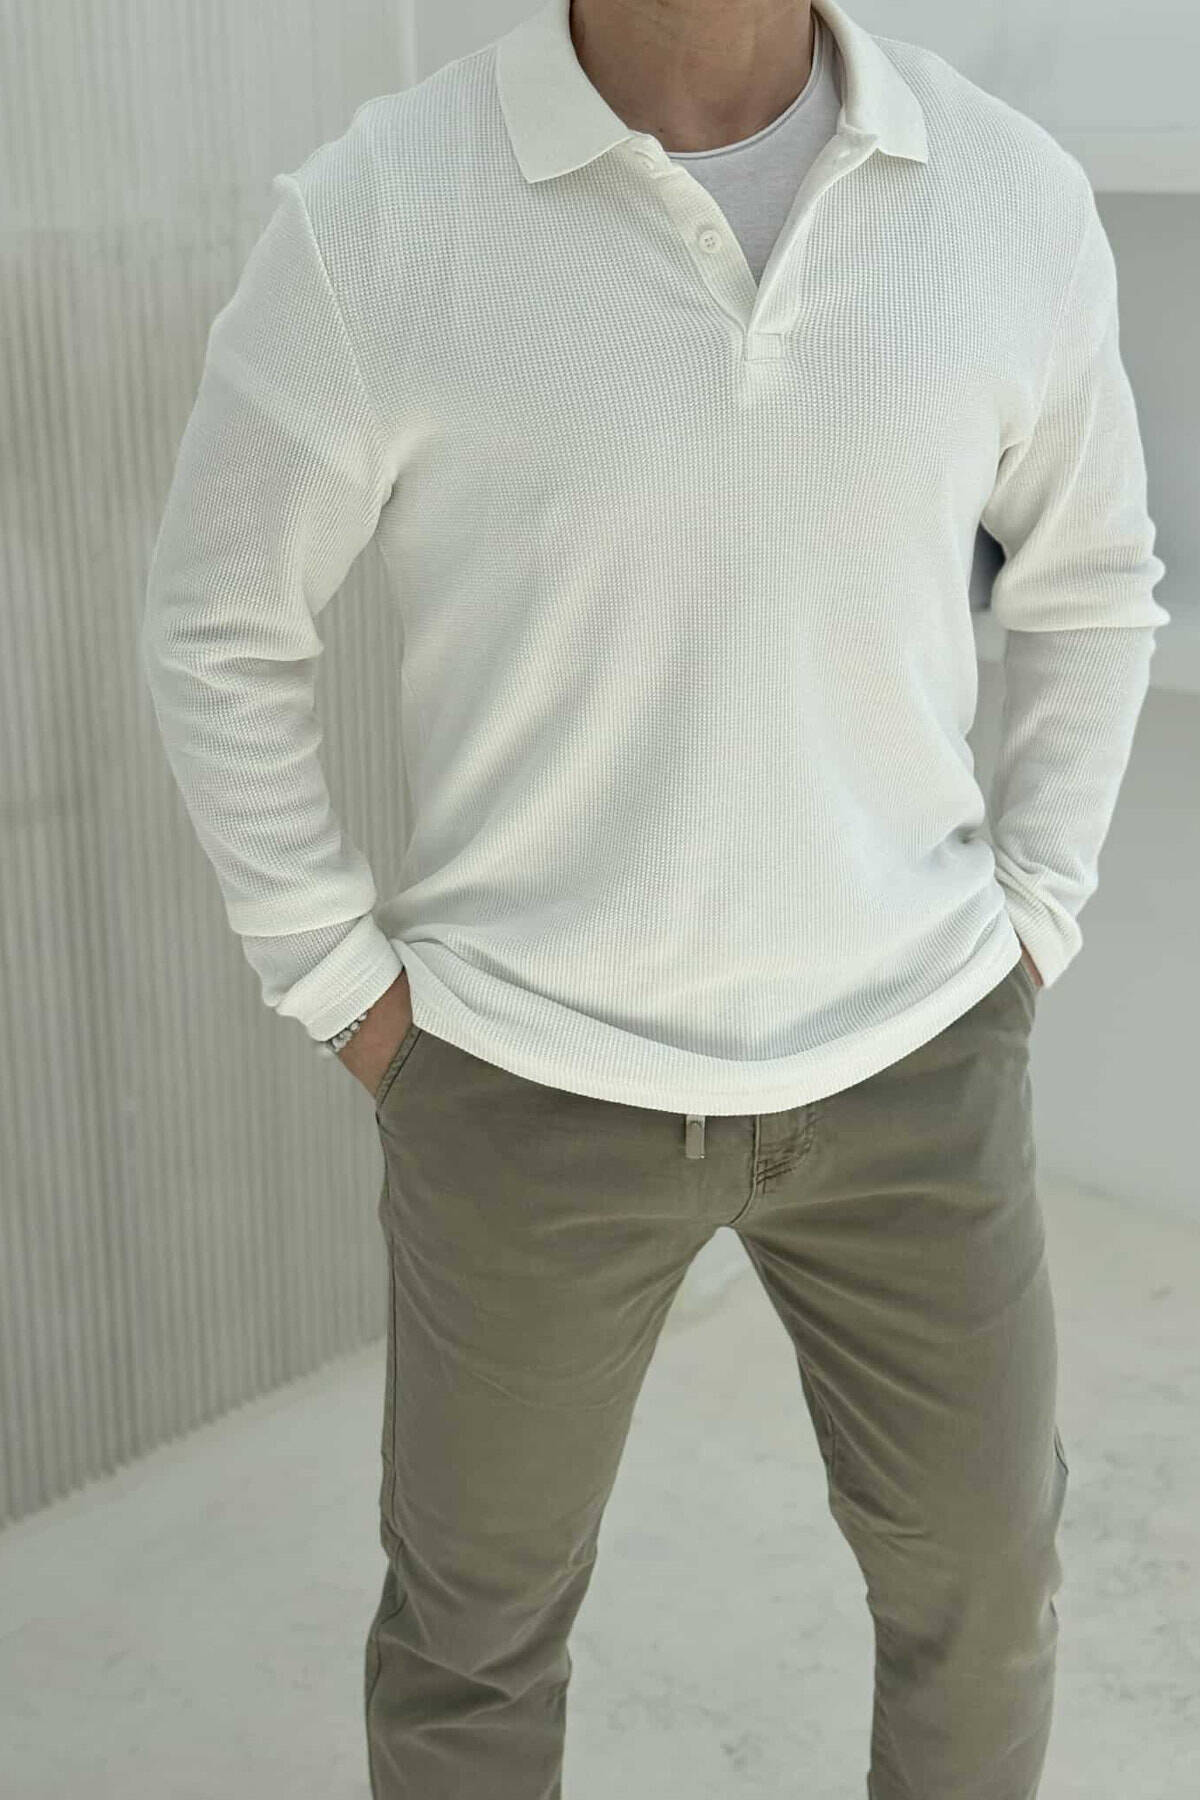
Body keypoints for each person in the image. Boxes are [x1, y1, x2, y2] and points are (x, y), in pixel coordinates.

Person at [140, 0, 1168, 1793]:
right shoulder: (380, 213)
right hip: (525, 1085)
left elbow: (1092, 582)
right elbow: (217, 621)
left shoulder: (1004, 195)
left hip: (919, 1056)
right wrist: (337, 982)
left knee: (987, 1601)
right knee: (472, 1643)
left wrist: (1035, 918)